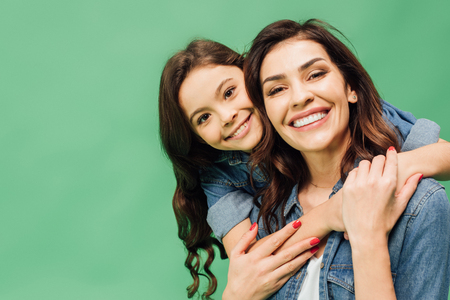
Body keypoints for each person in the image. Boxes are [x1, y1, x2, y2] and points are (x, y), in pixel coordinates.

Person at [158, 39, 450, 299]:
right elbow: (252, 263)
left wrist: (383, 174)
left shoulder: (342, 111)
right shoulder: (221, 173)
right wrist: (334, 211)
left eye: (230, 92)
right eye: (204, 118)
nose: (226, 116)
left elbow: (444, 154)